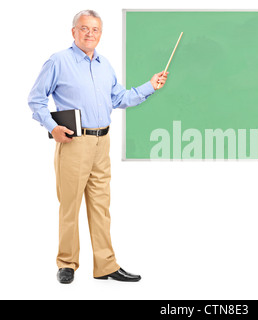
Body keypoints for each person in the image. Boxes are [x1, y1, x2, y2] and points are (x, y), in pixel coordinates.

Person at [28, 9, 168, 284]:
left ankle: (105, 265)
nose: (90, 33)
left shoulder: (105, 65)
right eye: (84, 28)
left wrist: (150, 86)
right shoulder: (59, 61)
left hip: (102, 143)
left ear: (100, 34)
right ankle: (67, 263)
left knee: (101, 207)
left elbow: (120, 98)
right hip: (74, 143)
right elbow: (36, 99)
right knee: (70, 205)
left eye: (95, 29)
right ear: (74, 32)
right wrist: (52, 127)